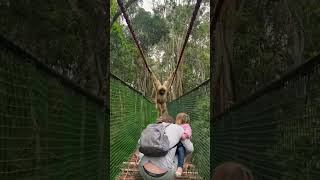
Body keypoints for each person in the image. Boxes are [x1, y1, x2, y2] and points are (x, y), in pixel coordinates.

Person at [138, 115, 194, 180]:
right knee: (181, 150)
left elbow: (139, 142)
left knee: (144, 149)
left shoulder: (151, 127)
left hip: (143, 171)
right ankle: (180, 168)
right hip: (165, 175)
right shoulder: (177, 128)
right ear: (172, 123)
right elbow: (190, 149)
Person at [175, 113, 192, 177]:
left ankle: (180, 168)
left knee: (181, 150)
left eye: (178, 119)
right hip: (174, 144)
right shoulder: (175, 126)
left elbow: (188, 133)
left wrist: (183, 135)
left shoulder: (186, 126)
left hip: (182, 145)